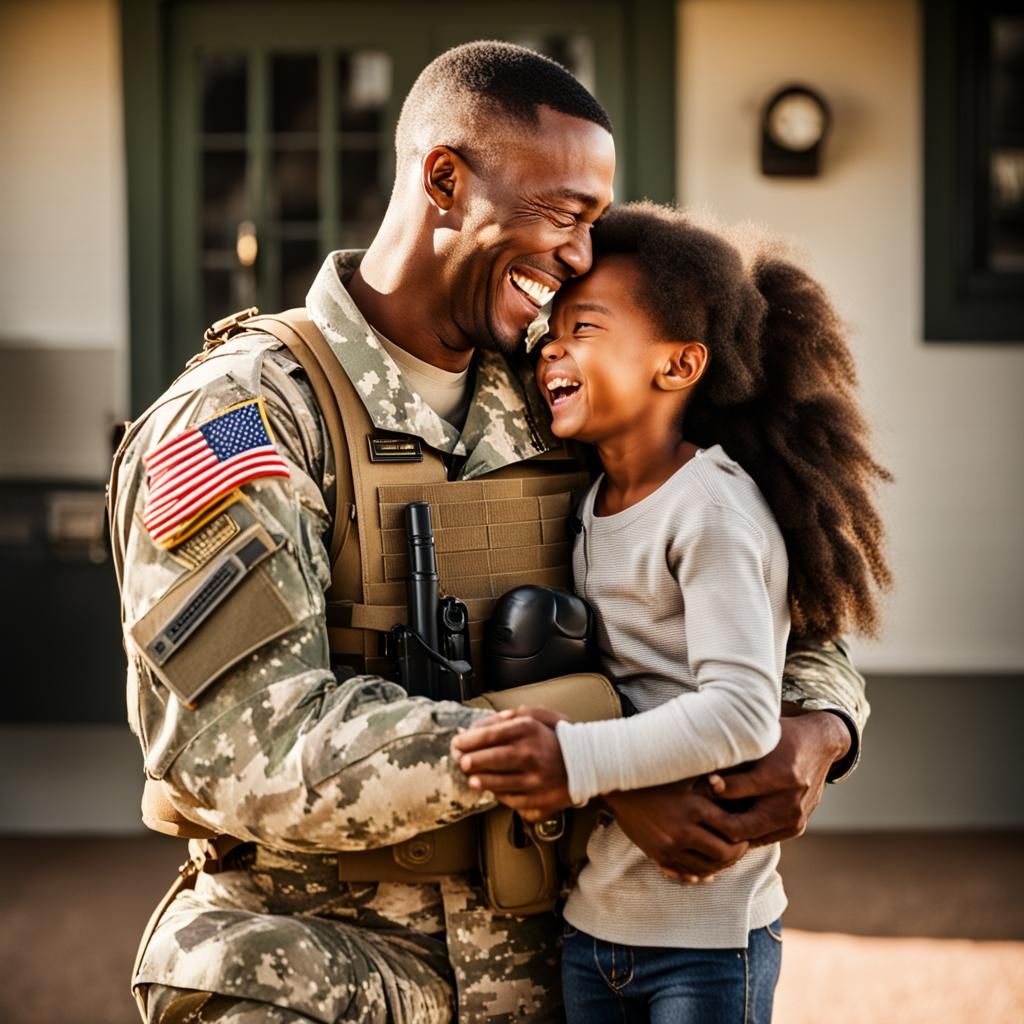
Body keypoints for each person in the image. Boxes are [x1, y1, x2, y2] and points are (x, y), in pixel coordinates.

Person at [108, 42, 869, 1024]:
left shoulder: (567, 388)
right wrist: (591, 767)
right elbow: (237, 746)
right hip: (316, 973)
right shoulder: (244, 420)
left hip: (569, 974)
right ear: (443, 181)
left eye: (595, 223)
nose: (582, 257)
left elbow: (770, 582)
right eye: (564, 214)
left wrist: (820, 725)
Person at [452, 202, 892, 1022]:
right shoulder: (591, 503)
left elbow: (742, 716)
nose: (552, 346)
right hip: (594, 925)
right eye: (553, 331)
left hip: (704, 937)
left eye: (585, 328)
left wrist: (573, 764)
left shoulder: (712, 512)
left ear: (679, 366)